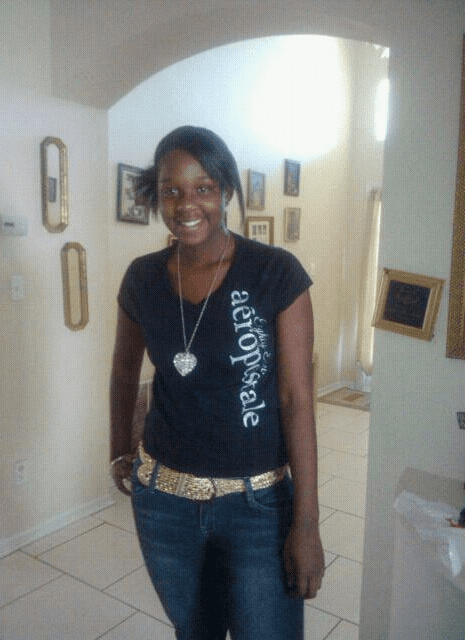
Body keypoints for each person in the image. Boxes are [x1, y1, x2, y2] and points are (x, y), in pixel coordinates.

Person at [110, 126, 325, 640]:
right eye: (172, 190)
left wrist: (307, 522)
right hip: (164, 503)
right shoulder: (142, 278)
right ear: (157, 196)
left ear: (226, 190)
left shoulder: (276, 273)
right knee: (195, 633)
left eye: (203, 188)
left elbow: (296, 400)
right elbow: (123, 372)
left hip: (259, 506)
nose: (187, 204)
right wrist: (118, 448)